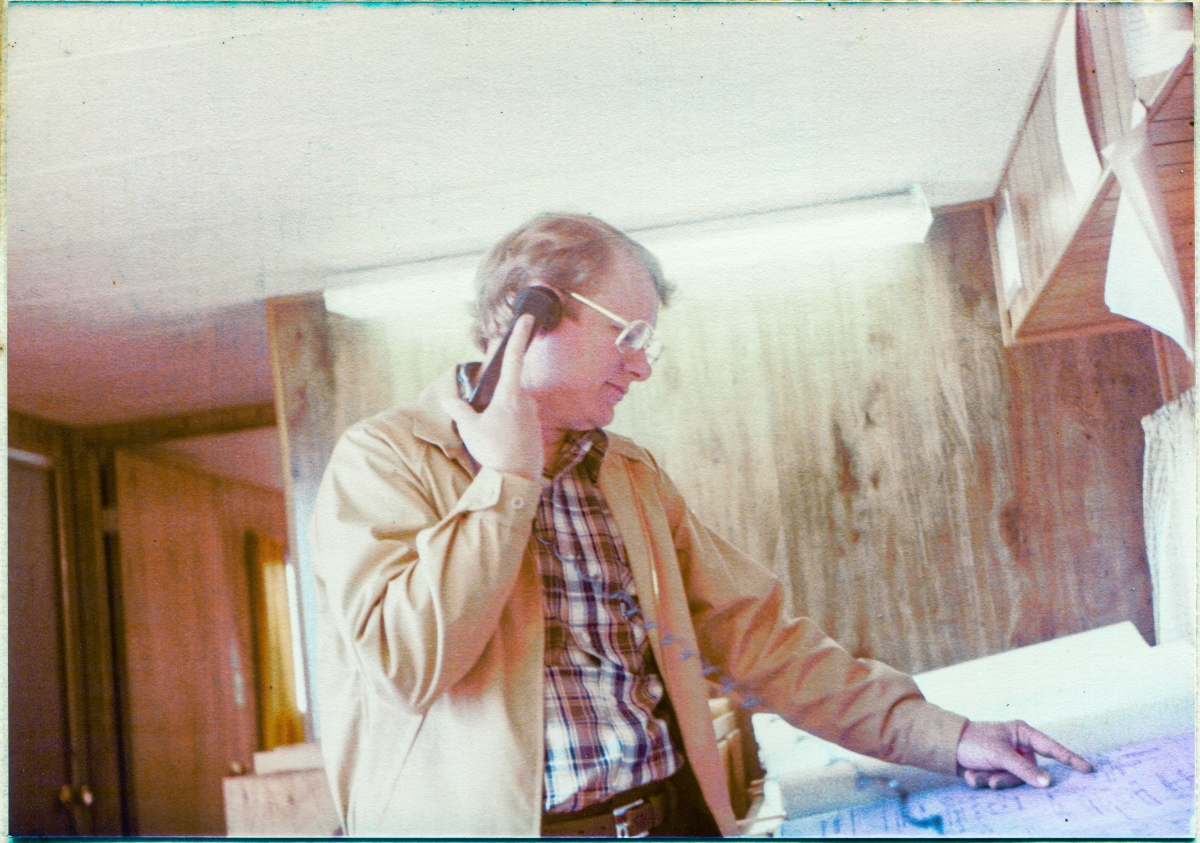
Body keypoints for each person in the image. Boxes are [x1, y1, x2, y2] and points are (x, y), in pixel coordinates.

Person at [310, 213, 1093, 837]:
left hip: (671, 821)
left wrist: (942, 736)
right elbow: (404, 665)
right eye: (629, 336)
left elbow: (762, 640)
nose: (643, 366)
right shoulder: (383, 459)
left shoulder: (628, 475)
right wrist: (507, 481)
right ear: (533, 313)